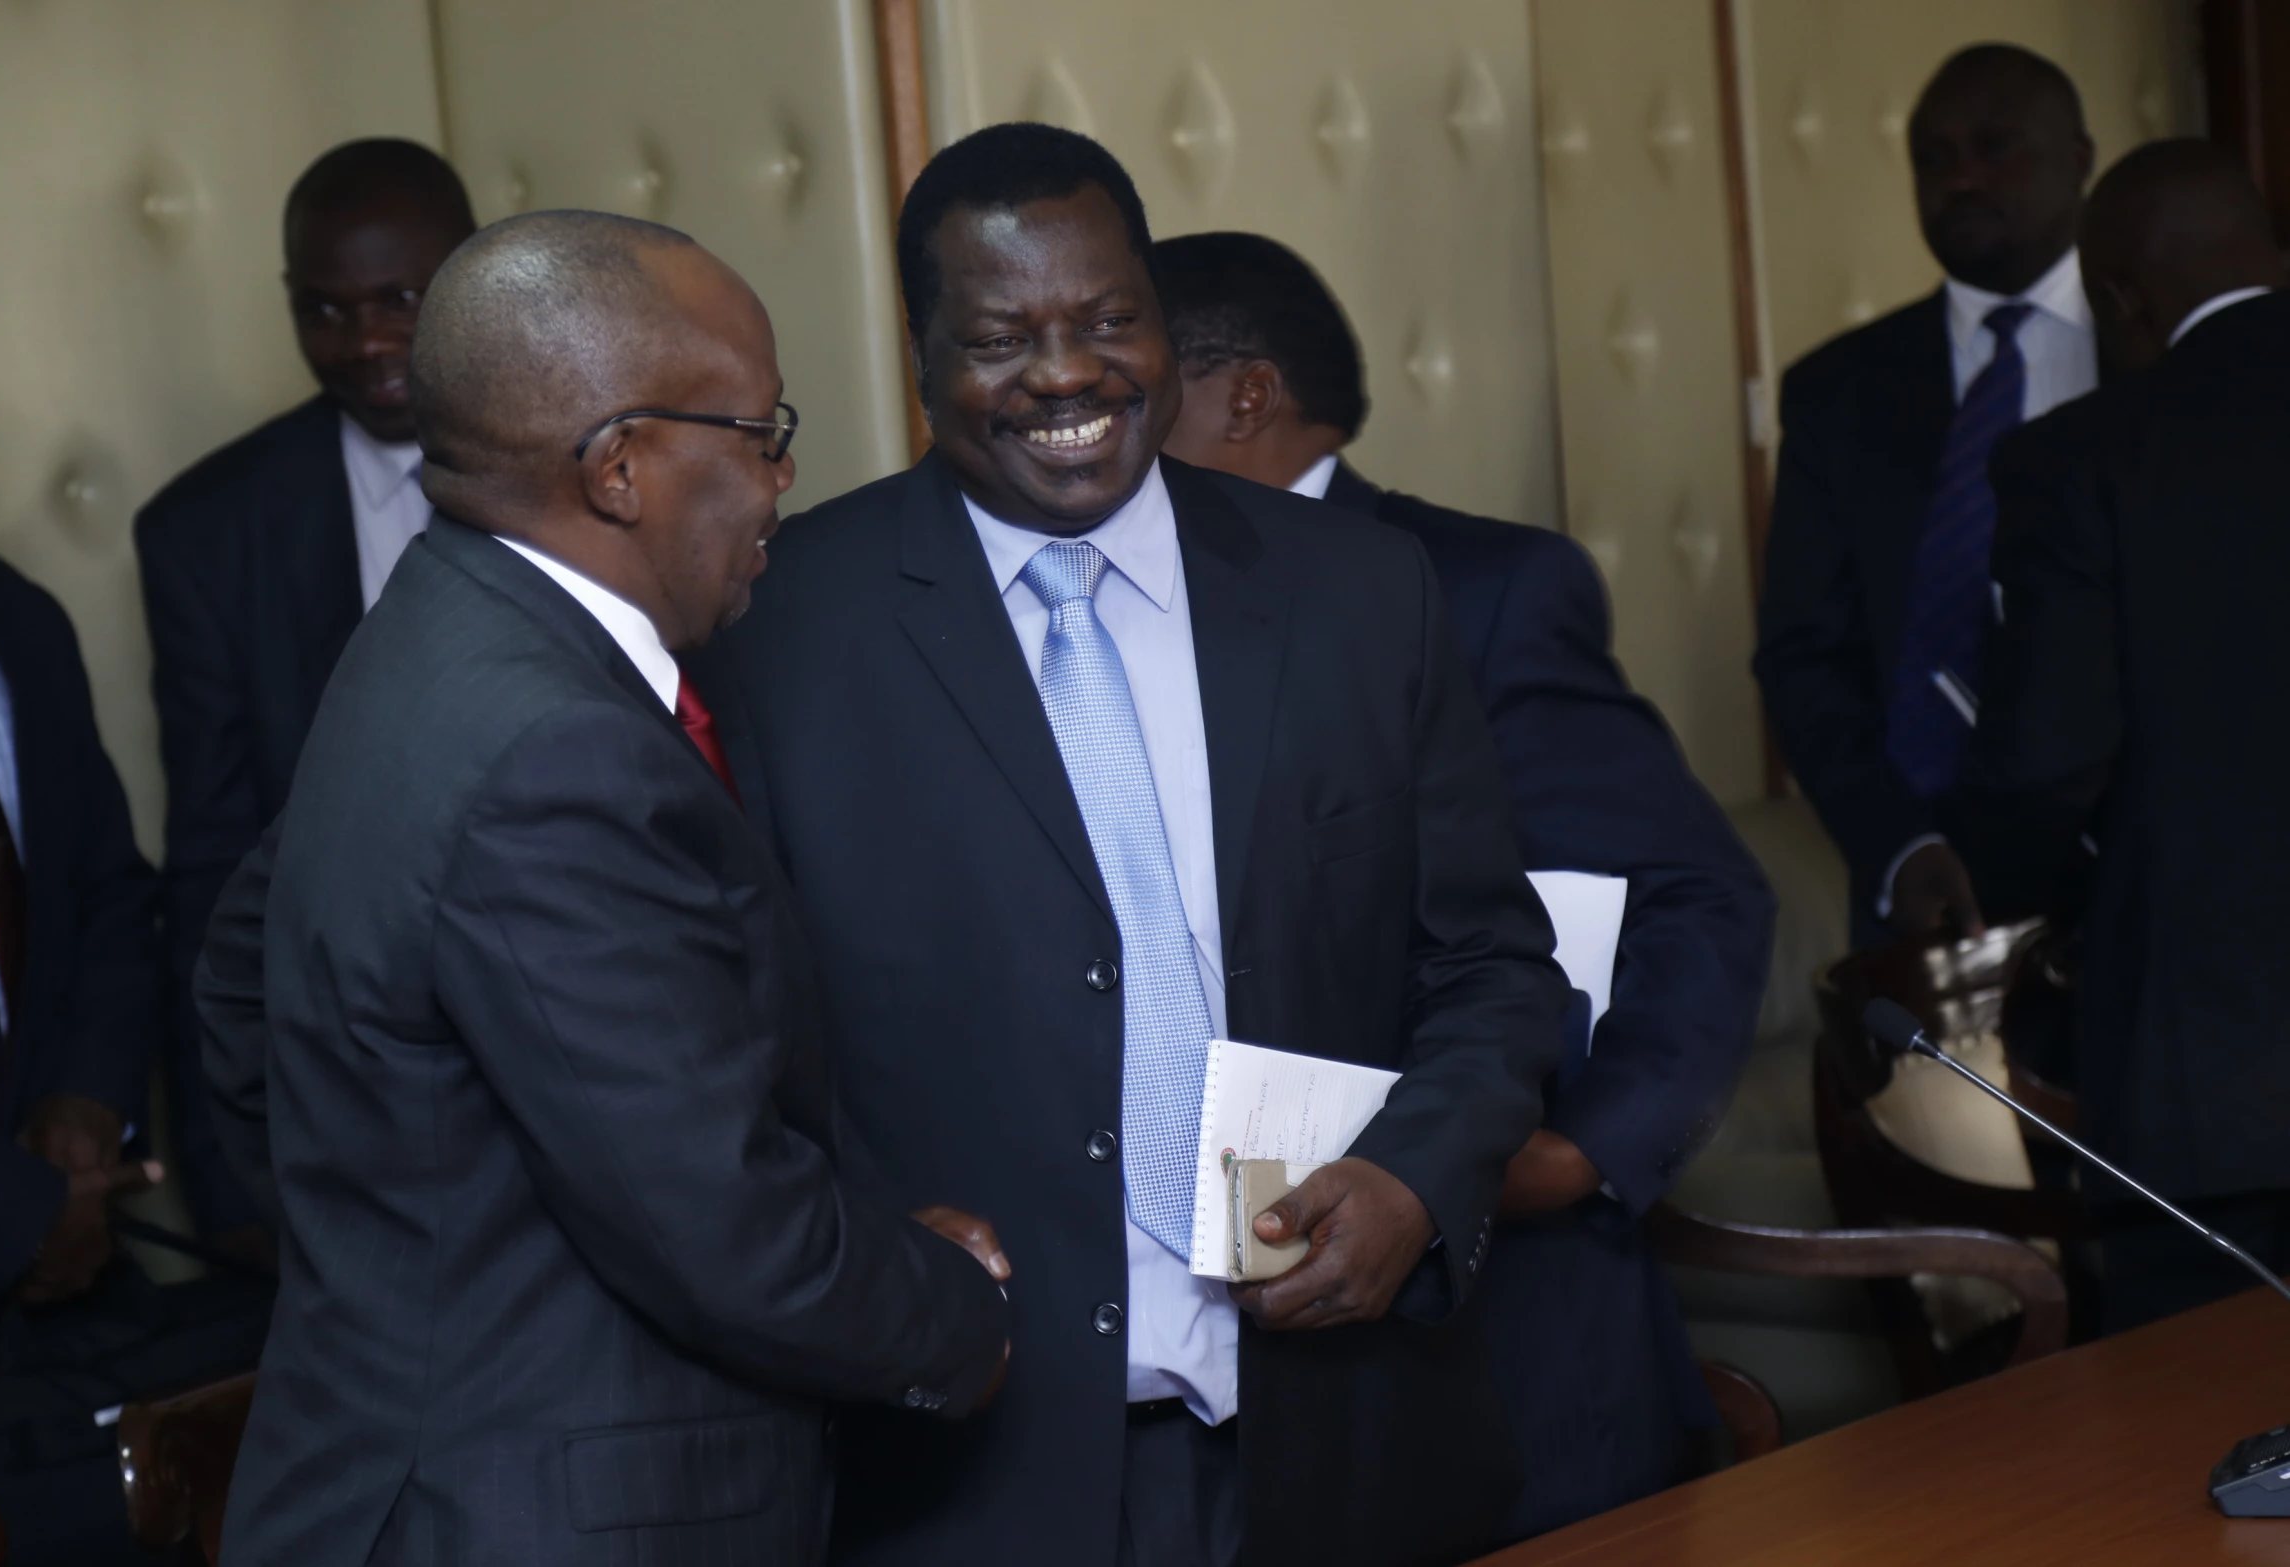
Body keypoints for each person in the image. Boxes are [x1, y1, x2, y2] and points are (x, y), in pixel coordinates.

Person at [697, 123, 1565, 1567]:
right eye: (999, 334)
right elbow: (730, 1047)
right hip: (971, 1469)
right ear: (917, 354)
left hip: (1344, 1447)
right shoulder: (782, 633)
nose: (1066, 374)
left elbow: (1489, 960)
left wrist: (1415, 1173)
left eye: (1110, 319)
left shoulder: (1353, 592)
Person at [194, 211, 1013, 1567]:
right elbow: (719, 1224)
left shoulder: (427, 634)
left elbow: (241, 990)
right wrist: (953, 1311)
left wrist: (400, 1234)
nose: (781, 480)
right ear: (622, 465)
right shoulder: (553, 749)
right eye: (758, 434)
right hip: (538, 1511)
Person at [1153, 229, 1776, 1540]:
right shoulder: (1124, 617)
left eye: (1128, 378)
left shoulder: (1473, 588)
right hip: (1242, 1338)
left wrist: (1583, 1153)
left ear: (1238, 394)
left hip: (1504, 1317)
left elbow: (1700, 889)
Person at [0, 271, 264, 1567]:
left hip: (78, 1271)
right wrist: (7, 1212)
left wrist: (88, 1099)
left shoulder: (12, 617)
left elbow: (109, 895)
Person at [1966, 139, 2288, 1333]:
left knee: (2196, 1475)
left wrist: (2012, 906)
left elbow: (2048, 756)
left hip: (2209, 1087)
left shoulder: (2081, 460)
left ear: (2118, 298)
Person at [136, 138, 476, 1255]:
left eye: (401, 300)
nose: (368, 342)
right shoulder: (207, 535)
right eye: (324, 310)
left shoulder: (598, 457)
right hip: (352, 1104)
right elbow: (209, 868)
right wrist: (228, 1178)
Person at [1754, 44, 2097, 946]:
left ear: (2080, 160)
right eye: (1934, 159)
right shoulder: (1839, 390)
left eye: (1996, 148)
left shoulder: (2150, 353)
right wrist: (1897, 844)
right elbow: (1802, 653)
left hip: (2147, 890)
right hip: (1926, 897)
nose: (1962, 178)